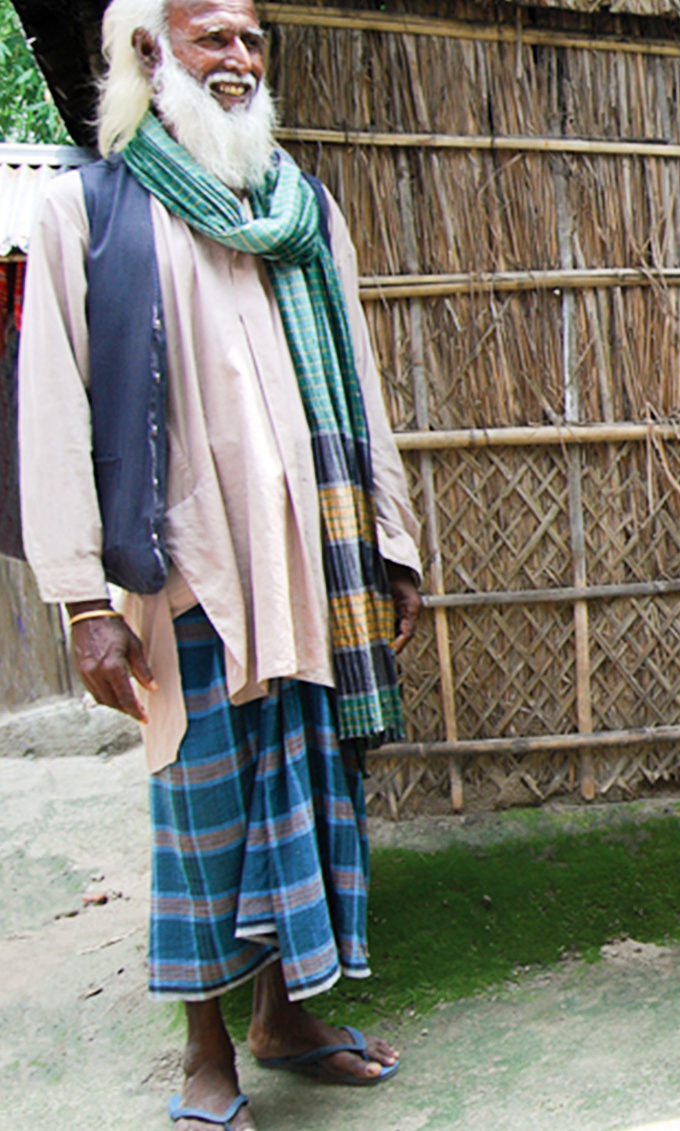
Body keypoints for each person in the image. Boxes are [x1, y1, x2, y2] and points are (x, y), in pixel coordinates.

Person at [17, 1, 422, 1126]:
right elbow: (51, 405)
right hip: (184, 569)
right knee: (201, 816)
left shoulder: (303, 210)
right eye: (212, 39)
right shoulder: (87, 210)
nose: (238, 60)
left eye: (249, 39)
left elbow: (360, 376)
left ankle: (285, 1019)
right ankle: (205, 1054)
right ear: (152, 54)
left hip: (316, 558)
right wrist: (83, 602)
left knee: (312, 787)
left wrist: (388, 540)